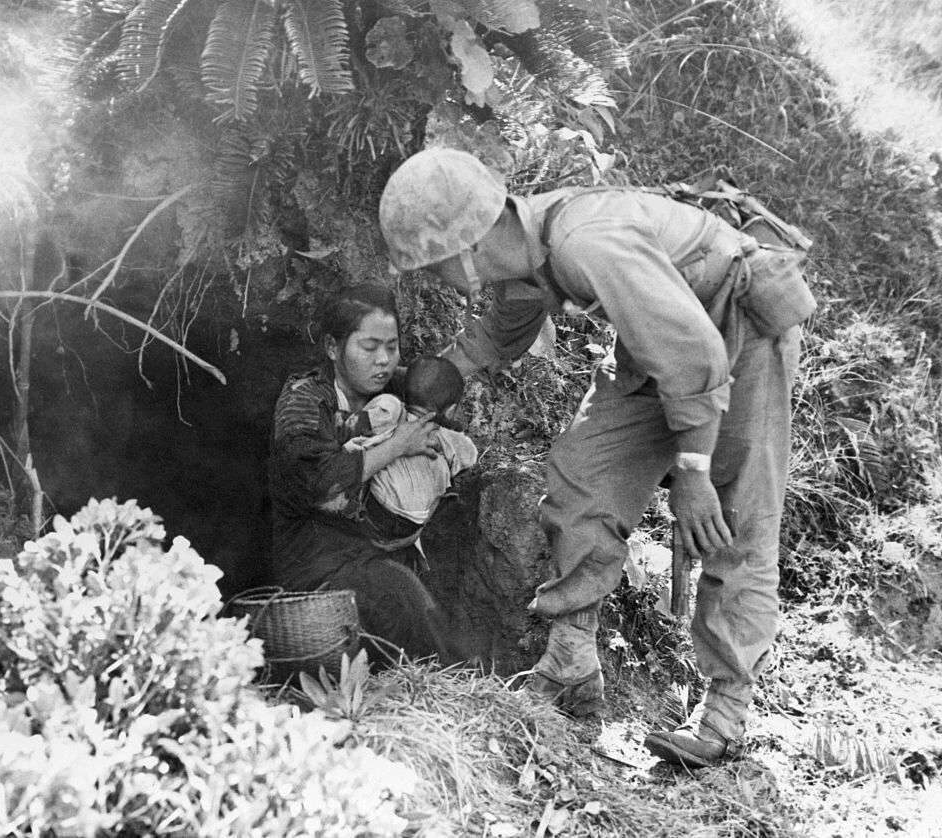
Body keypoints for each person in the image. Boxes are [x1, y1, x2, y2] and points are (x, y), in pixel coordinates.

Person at [378, 147, 814, 768]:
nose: (435, 280)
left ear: (462, 251)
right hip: (660, 344)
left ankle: (724, 712)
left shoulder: (586, 243)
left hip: (737, 337)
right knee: (582, 474)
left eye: (430, 267)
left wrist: (692, 472)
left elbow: (696, 360)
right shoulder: (527, 255)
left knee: (734, 521)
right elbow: (504, 327)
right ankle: (572, 659)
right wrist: (447, 369)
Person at [268, 283, 470, 665]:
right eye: (369, 347)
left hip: (384, 555)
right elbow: (316, 482)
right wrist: (397, 445)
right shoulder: (305, 399)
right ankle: (437, 688)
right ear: (333, 347)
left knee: (422, 595)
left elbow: (448, 414)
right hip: (318, 568)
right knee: (396, 591)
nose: (384, 361)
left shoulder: (402, 387)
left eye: (392, 347)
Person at [346, 356, 478, 542]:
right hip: (410, 525)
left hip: (372, 510)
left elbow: (357, 427)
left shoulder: (391, 409)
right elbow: (471, 456)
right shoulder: (447, 438)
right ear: (450, 411)